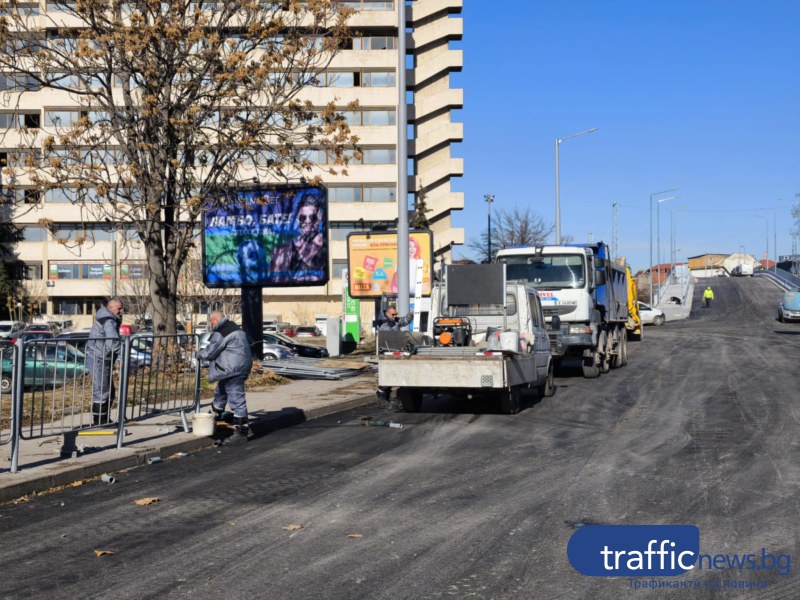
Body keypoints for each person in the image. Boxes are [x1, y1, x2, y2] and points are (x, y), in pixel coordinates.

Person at [197, 311, 253, 443]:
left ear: (215, 320)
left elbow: (210, 353)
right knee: (221, 391)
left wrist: (197, 354)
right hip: (238, 366)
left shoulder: (222, 331)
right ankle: (217, 415)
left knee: (236, 398)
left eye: (211, 322)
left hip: (233, 369)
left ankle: (241, 431)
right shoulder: (234, 327)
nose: (211, 325)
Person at [270, 193, 326, 283]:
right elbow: (275, 280)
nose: (307, 222)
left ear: (319, 219)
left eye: (312, 217)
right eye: (303, 218)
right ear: (297, 219)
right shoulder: (282, 250)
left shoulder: (326, 247)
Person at [85, 297, 124, 425]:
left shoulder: (107, 319)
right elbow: (112, 342)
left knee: (108, 391)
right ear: (111, 308)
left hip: (101, 358)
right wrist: (123, 353)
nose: (121, 311)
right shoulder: (108, 321)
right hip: (99, 359)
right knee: (102, 391)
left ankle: (104, 419)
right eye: (119, 308)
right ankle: (100, 421)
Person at [375, 305, 413, 405]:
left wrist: (411, 314)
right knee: (389, 373)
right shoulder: (384, 323)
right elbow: (390, 334)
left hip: (394, 350)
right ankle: (382, 393)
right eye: (393, 314)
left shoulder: (393, 320)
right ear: (387, 313)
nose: (395, 316)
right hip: (387, 351)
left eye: (396, 314)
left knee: (397, 372)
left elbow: (404, 321)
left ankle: (392, 395)